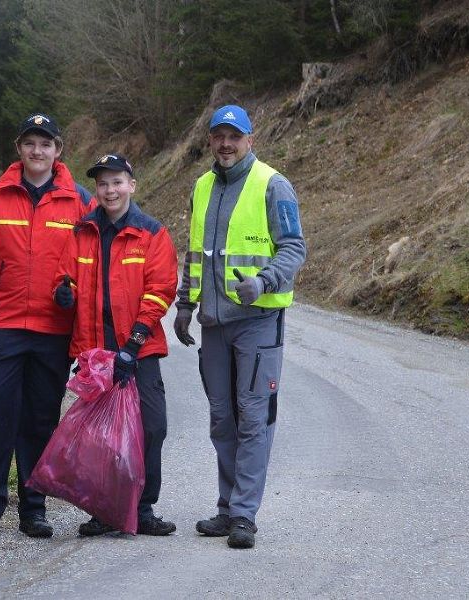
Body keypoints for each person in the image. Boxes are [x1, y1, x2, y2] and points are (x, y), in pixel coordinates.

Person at [0, 113, 93, 538]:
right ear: (19, 148)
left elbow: (92, 259)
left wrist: (72, 287)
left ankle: (33, 509)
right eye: (30, 143)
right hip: (4, 324)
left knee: (39, 419)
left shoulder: (81, 200)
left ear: (58, 150)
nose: (38, 151)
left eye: (45, 144)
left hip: (54, 330)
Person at [173, 105, 306, 549]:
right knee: (221, 419)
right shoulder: (203, 185)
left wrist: (263, 281)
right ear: (210, 141)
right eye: (219, 136)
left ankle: (244, 515)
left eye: (235, 136)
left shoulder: (273, 185)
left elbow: (293, 249)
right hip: (214, 324)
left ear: (251, 139)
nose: (226, 143)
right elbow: (195, 254)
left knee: (253, 418)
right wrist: (185, 305)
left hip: (258, 322)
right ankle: (227, 507)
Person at [53, 153, 178, 537]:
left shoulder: (152, 233)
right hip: (95, 350)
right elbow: (66, 274)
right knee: (100, 436)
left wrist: (133, 343)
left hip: (138, 351)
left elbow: (161, 291)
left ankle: (142, 509)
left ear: (132, 186)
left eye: (117, 182)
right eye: (103, 184)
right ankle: (104, 511)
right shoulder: (82, 231)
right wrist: (62, 291)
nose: (110, 190)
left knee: (151, 428)